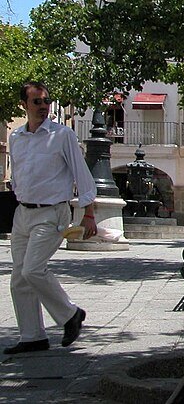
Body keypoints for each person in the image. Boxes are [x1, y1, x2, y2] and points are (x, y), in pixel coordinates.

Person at [5, 82, 96, 355]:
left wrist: (88, 214)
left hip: (51, 212)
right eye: (37, 102)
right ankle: (32, 336)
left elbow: (82, 174)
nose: (43, 106)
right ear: (24, 105)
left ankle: (70, 314)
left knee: (32, 270)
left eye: (46, 101)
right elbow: (18, 174)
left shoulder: (62, 135)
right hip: (23, 213)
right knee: (19, 277)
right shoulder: (16, 137)